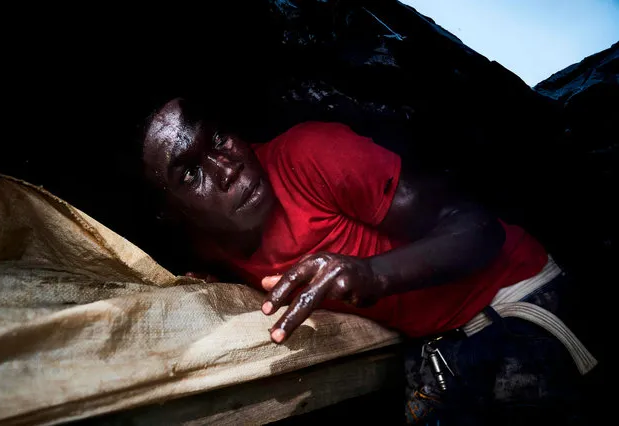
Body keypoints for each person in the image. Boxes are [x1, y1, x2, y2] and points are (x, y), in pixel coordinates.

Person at [141, 97, 597, 425]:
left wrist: (372, 273)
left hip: (516, 293)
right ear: (173, 213)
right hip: (438, 338)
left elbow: (479, 229)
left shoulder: (311, 155)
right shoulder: (206, 247)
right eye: (192, 173)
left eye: (218, 137)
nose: (227, 168)